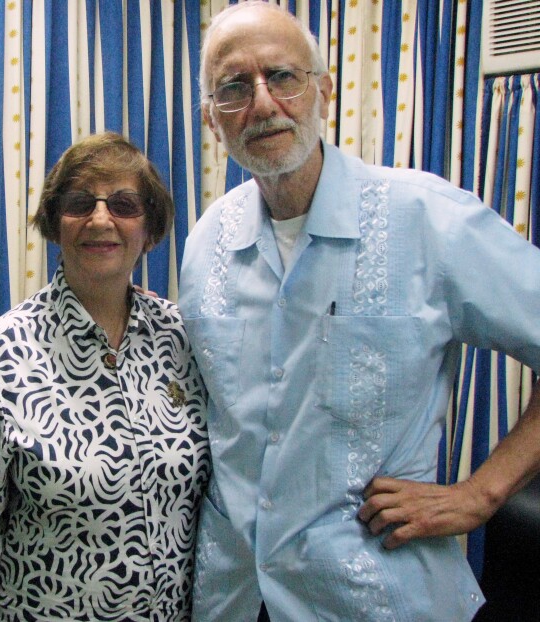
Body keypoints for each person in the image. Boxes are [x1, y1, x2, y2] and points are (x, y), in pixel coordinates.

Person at [178, 2, 540, 621]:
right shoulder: (206, 242)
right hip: (234, 596)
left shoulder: (428, 221)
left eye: (282, 76)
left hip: (372, 597)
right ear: (213, 121)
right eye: (234, 88)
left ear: (326, 91)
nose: (262, 104)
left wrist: (481, 495)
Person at [0, 132, 211, 621]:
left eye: (123, 204)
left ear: (150, 229)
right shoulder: (2, 351)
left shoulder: (183, 338)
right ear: (54, 223)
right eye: (79, 203)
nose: (100, 220)